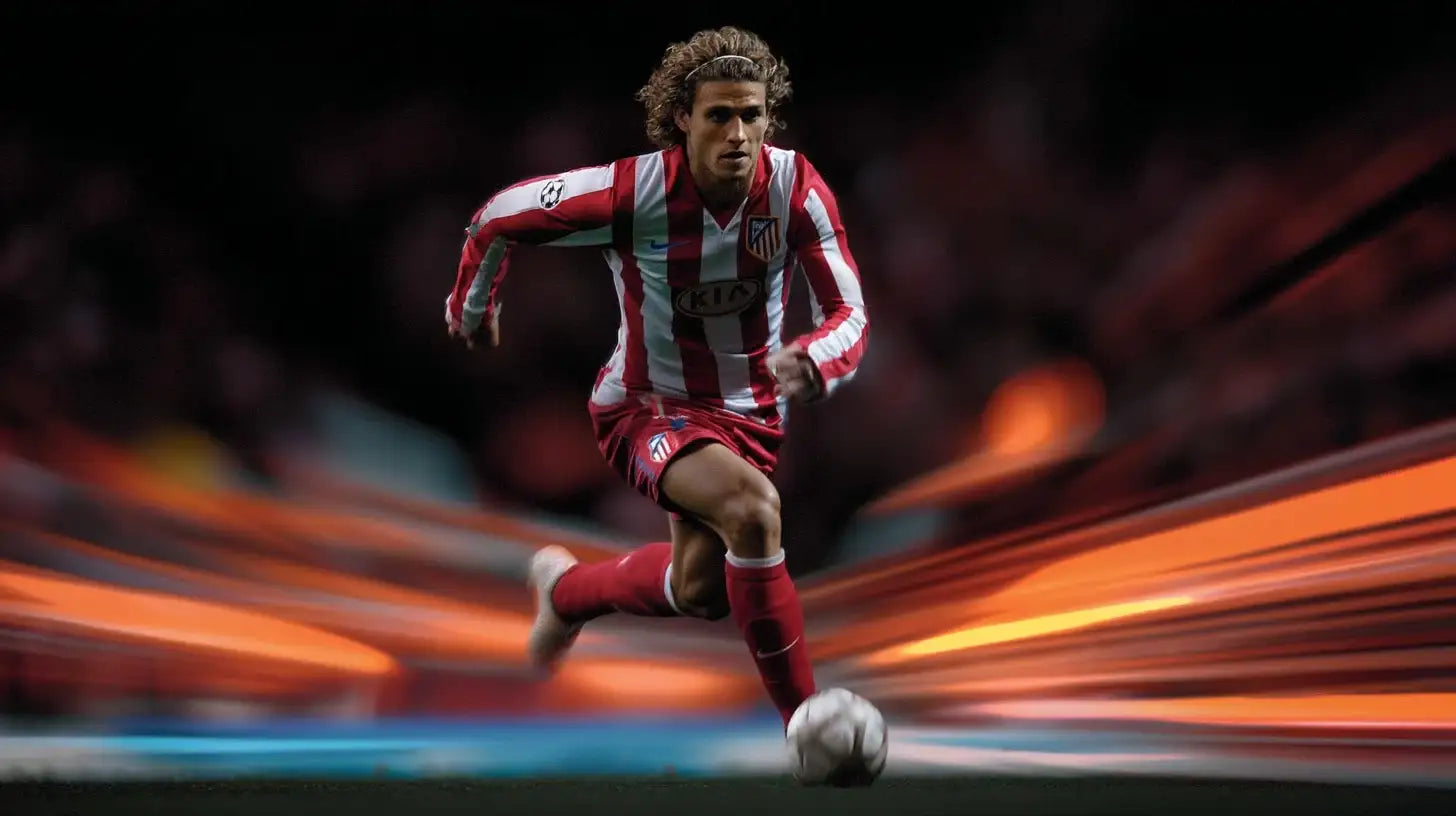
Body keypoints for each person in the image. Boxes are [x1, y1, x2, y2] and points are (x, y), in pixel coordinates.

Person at [444, 25, 868, 730]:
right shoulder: (632, 195)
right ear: (682, 118)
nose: (739, 134)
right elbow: (497, 219)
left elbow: (848, 311)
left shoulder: (796, 189)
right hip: (647, 409)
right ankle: (809, 721)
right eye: (720, 115)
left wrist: (817, 359)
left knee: (703, 590)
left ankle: (569, 593)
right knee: (756, 513)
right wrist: (471, 305)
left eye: (752, 115)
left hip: (753, 417)